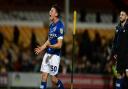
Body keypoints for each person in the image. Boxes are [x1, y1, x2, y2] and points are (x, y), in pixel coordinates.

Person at [34, 5, 64, 89]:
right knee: (44, 76)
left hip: (55, 56)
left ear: (56, 14)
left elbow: (59, 45)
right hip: (48, 54)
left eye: (51, 11)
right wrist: (42, 48)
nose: (49, 13)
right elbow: (49, 40)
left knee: (54, 80)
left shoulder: (60, 26)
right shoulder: (51, 26)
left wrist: (50, 46)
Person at [112, 10, 128, 89]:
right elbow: (115, 41)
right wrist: (114, 52)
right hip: (120, 56)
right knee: (119, 76)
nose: (120, 16)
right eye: (120, 14)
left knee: (127, 74)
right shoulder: (117, 27)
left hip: (127, 56)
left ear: (126, 17)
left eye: (122, 15)